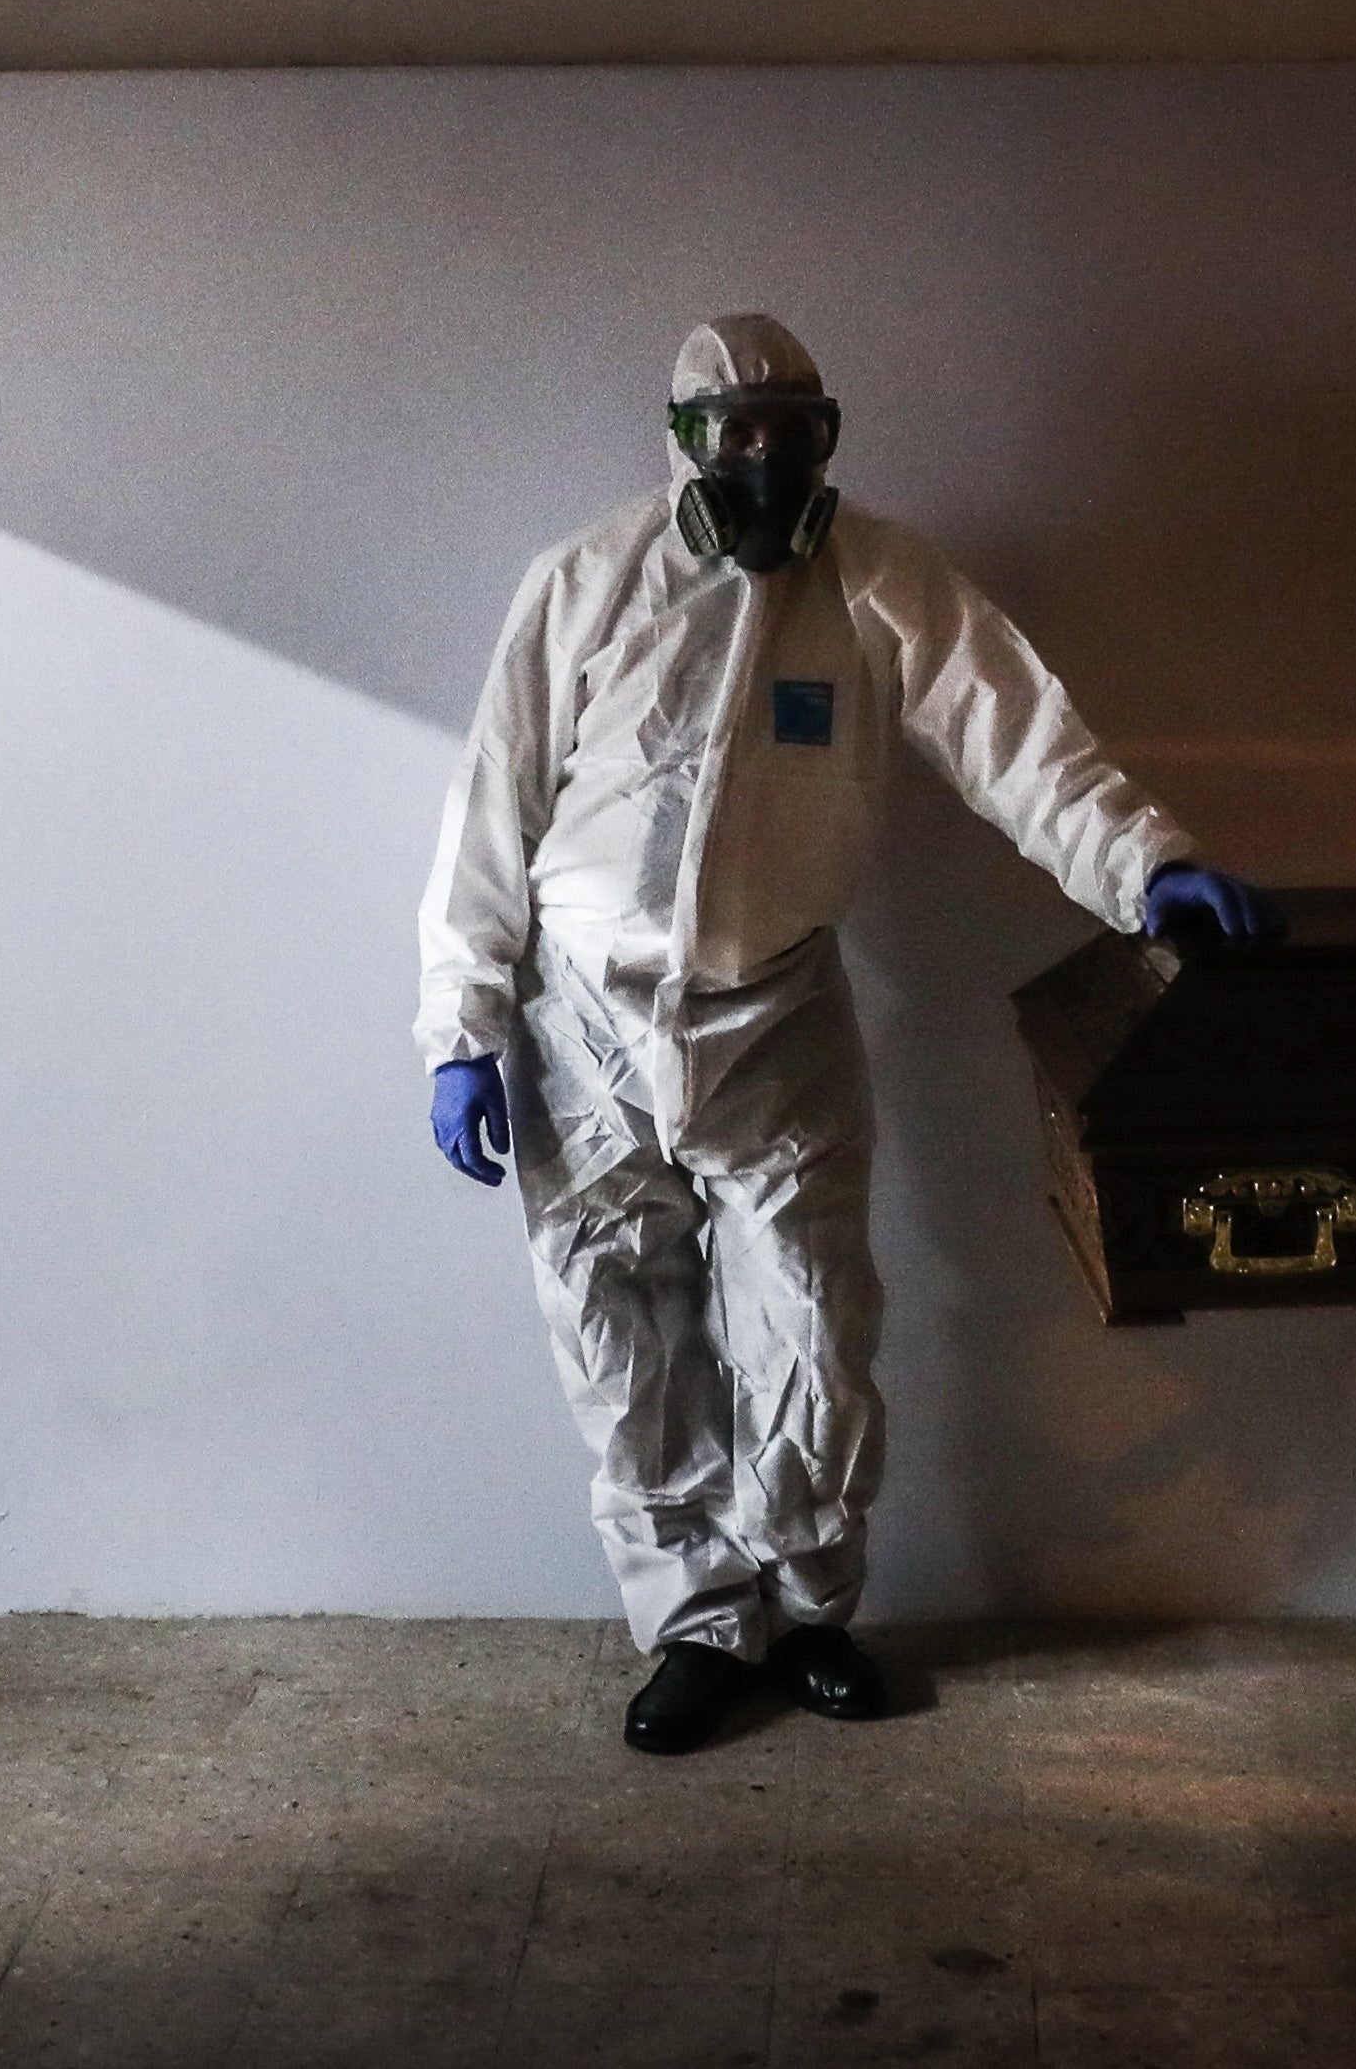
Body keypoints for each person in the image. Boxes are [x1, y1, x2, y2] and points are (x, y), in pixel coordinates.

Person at [415, 312, 1276, 1755]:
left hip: (777, 1009)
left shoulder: (880, 579)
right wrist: (462, 1024)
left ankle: (811, 1606)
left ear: (826, 432)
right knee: (624, 1339)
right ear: (685, 439)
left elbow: (1021, 741)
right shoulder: (584, 584)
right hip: (584, 1025)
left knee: (811, 1325)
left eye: (791, 427)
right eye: (734, 429)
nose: (763, 456)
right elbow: (489, 812)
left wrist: (1146, 864)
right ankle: (696, 1629)